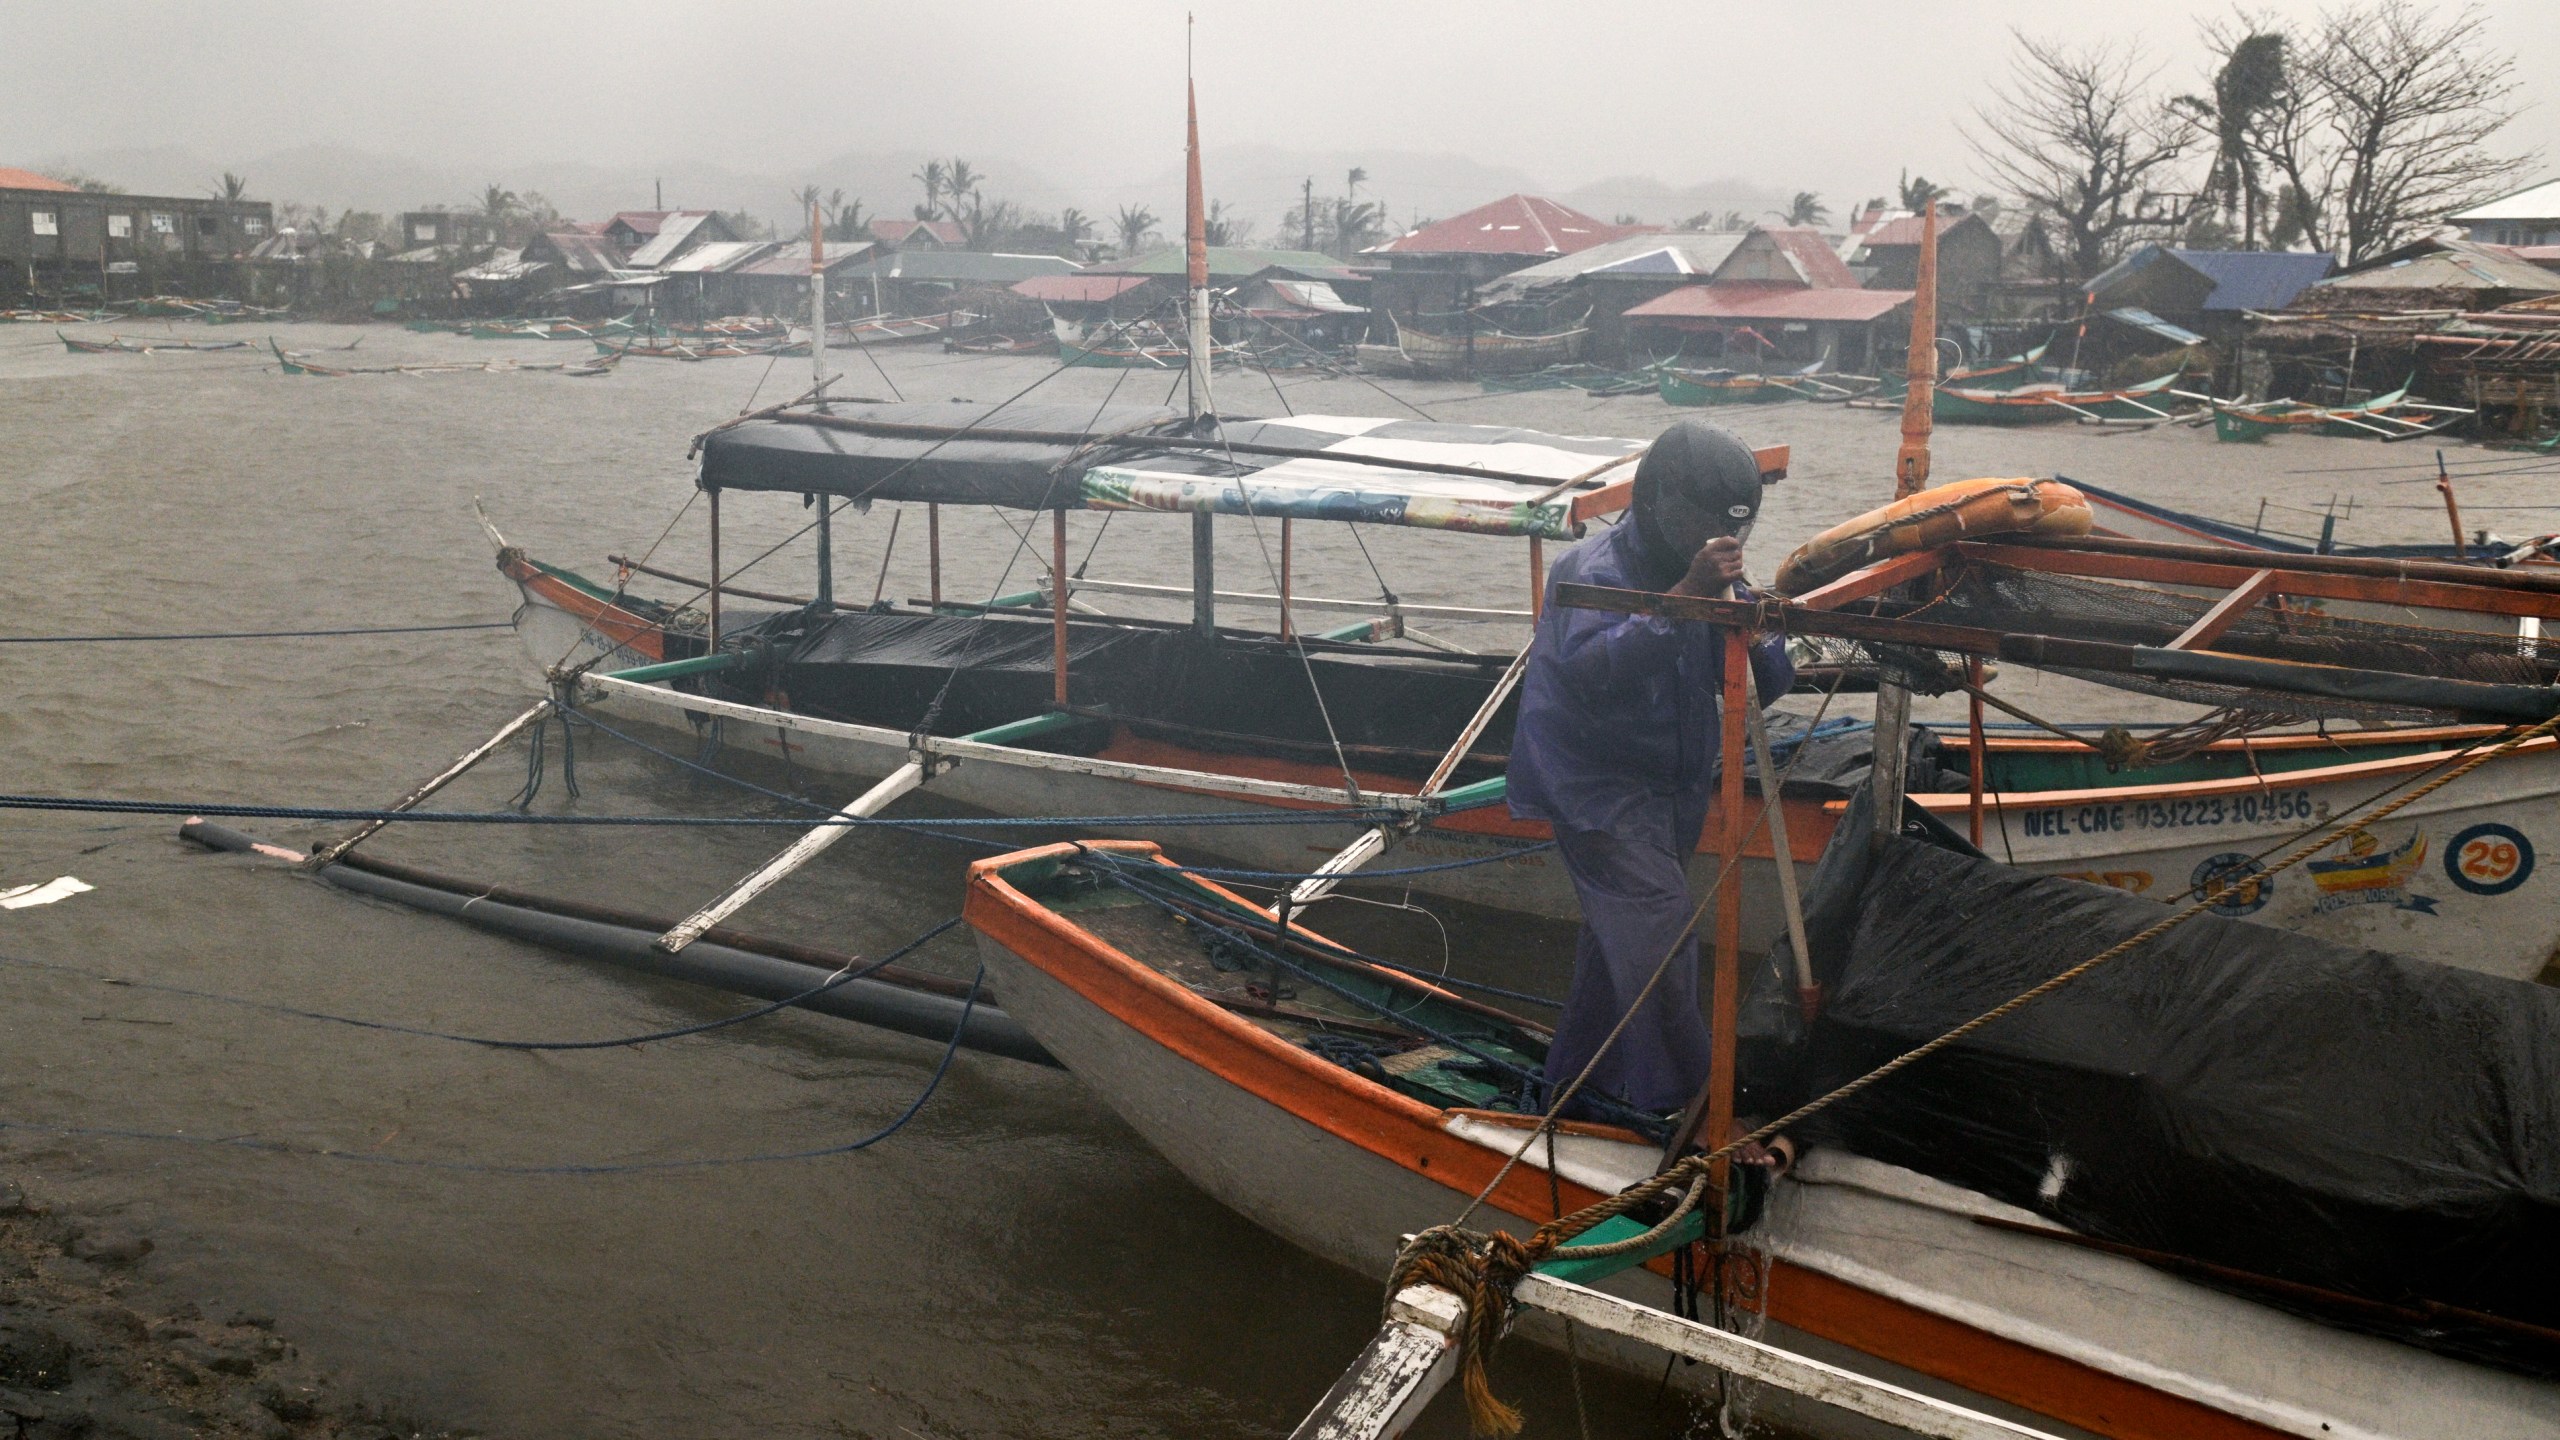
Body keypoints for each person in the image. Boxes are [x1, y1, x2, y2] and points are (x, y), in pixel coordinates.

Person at [1507, 420, 1792, 1120]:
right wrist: (1685, 600)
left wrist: (1757, 624)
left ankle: (1575, 1093)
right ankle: (1687, 1114)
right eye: (1703, 524)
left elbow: (1774, 681)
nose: (1719, 543)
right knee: (1661, 936)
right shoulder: (1594, 568)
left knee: (1618, 956)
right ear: (1661, 503)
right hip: (1595, 785)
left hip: (1674, 783)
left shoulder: (1716, 571)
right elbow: (1593, 667)